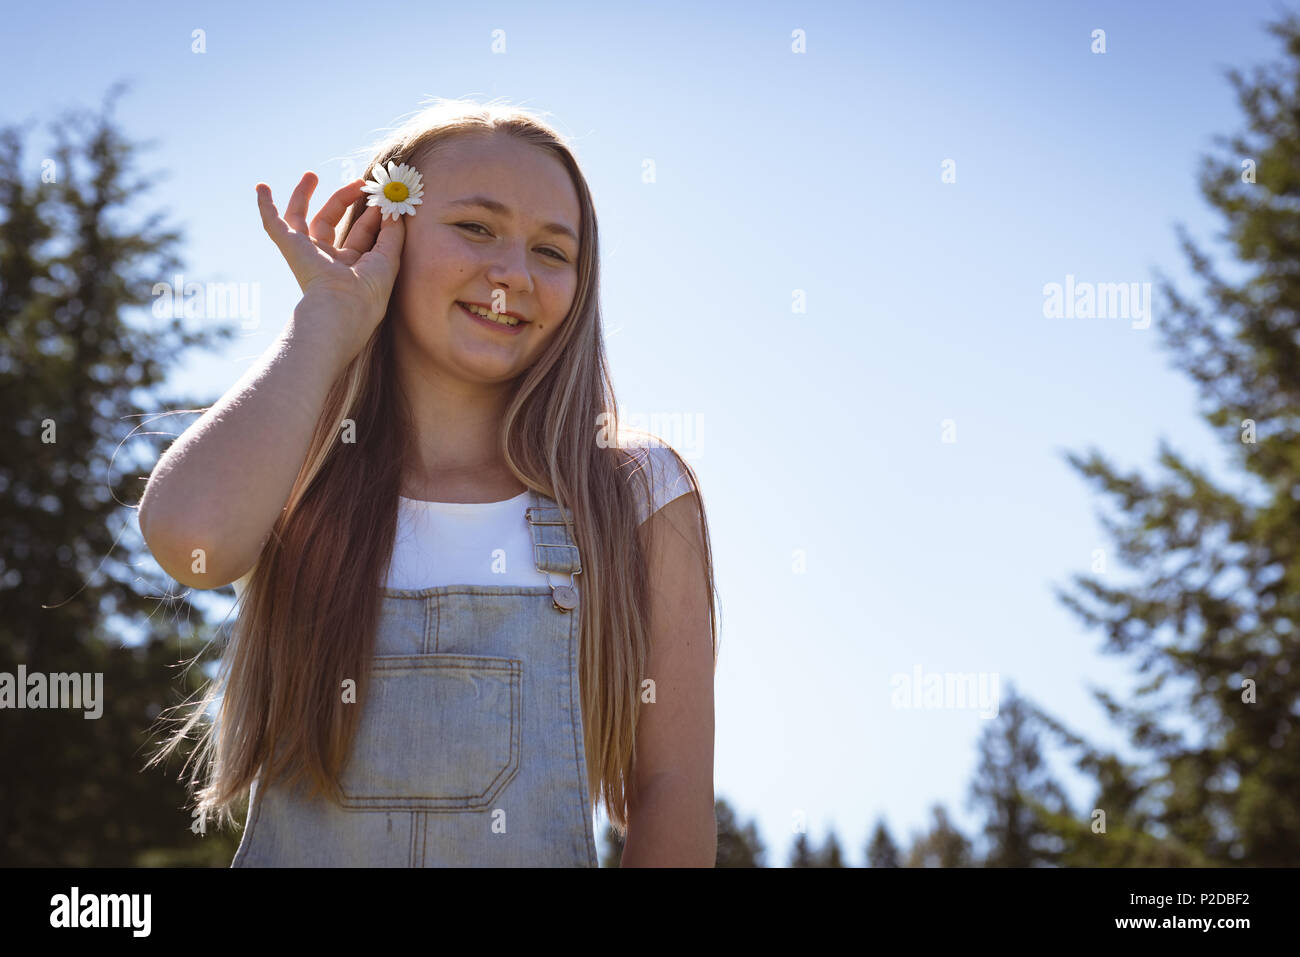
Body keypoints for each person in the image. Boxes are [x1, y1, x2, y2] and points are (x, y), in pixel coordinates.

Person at [138, 99, 719, 867]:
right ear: (388, 233)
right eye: (476, 228)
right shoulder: (301, 462)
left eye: (552, 251)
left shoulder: (636, 491)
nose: (512, 273)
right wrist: (327, 316)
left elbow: (672, 789)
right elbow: (192, 542)